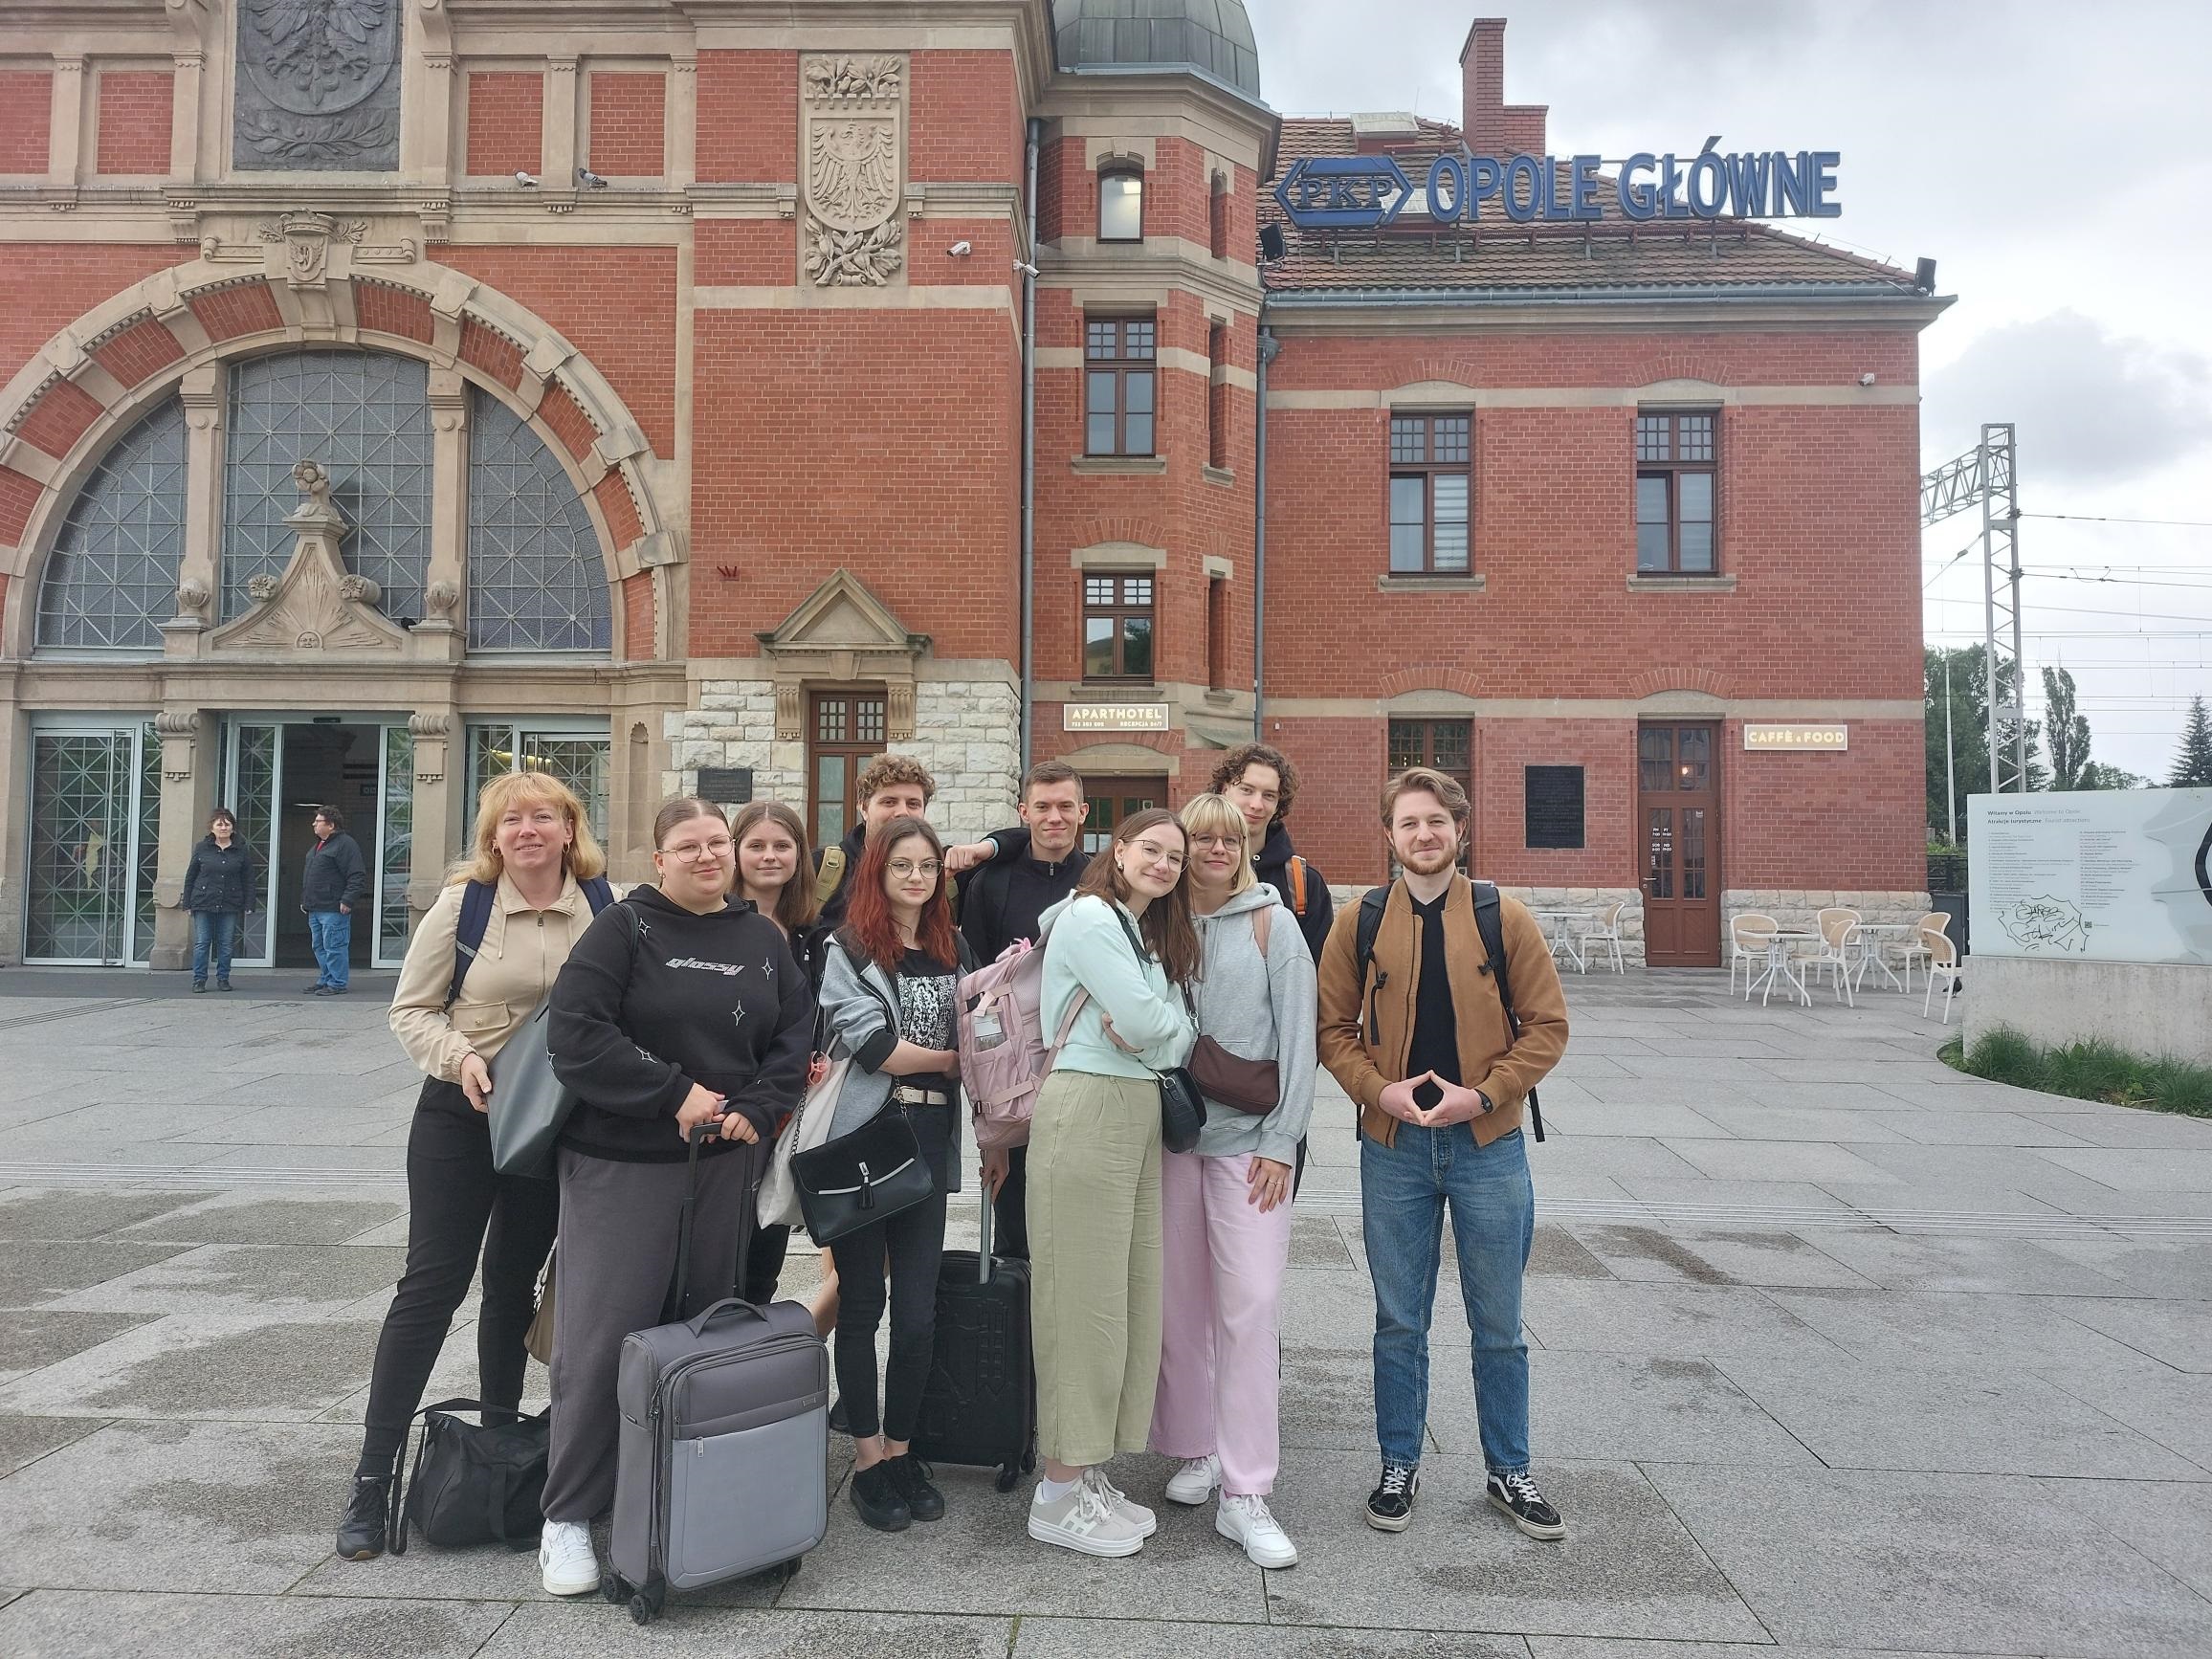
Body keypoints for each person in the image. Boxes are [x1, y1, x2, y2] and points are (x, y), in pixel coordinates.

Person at [536, 798, 813, 1598]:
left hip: (723, 1168)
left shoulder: (762, 939)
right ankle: (567, 1515)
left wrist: (759, 1106)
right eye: (687, 846)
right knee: (601, 1341)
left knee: (701, 1336)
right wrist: (673, 1093)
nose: (706, 856)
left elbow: (796, 1034)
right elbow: (576, 1034)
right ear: (658, 859)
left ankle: (683, 1500)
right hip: (622, 1166)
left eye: (716, 842)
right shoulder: (623, 929)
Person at [336, 772, 606, 1561]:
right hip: (462, 1115)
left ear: (569, 828)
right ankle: (372, 1478)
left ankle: (499, 1457)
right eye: (510, 820)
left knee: (513, 1286)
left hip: (551, 1124)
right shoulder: (465, 907)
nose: (528, 830)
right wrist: (461, 1059)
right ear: (493, 837)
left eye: (543, 817)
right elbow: (411, 1010)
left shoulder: (605, 906)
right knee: (431, 1287)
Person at [1316, 766, 1570, 1542]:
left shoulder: (1503, 917)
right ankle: (1399, 1462)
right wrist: (1377, 1092)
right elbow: (1332, 1029)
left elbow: (1547, 1027)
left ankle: (1509, 1469)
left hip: (1487, 1145)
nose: (1423, 834)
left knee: (1500, 1323)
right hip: (1394, 1147)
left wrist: (1484, 1096)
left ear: (1460, 829)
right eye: (1408, 823)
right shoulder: (1360, 921)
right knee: (1399, 1321)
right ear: (1388, 835)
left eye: (1436, 821)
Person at [1149, 791, 1316, 1569]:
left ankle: (1247, 1490)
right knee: (1180, 1306)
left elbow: (1302, 1039)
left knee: (1249, 1305)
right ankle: (1198, 1446)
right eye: (1202, 839)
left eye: (1230, 838)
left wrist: (1284, 1142)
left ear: (1246, 845)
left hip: (1251, 1145)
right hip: (1173, 1140)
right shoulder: (1157, 922)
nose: (1217, 850)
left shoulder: (1272, 924)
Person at [1025, 807, 1197, 1559]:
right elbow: (1148, 1021)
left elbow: (1175, 1028)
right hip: (1088, 1106)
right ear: (1118, 851)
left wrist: (1161, 1028)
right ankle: (1057, 1495)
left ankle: (1087, 1470)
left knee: (1125, 1296)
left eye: (1174, 858)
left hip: (1133, 1107)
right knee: (1081, 1301)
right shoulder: (1091, 916)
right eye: (1150, 849)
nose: (1163, 864)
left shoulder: (1139, 928)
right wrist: (1161, 1027)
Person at [816, 816, 969, 1532]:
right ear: (877, 871)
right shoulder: (848, 948)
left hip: (931, 1137)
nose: (916, 877)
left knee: (916, 1312)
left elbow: (985, 1025)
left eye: (928, 866)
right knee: (860, 1306)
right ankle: (868, 1459)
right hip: (867, 1139)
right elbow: (872, 1046)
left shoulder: (952, 946)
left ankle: (903, 1449)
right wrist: (953, 1060)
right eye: (902, 865)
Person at [956, 759, 1088, 1259]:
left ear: (1082, 813)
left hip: (1081, 1065)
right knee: (1015, 1229)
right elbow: (979, 997)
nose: (1054, 817)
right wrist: (993, 1136)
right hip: (1013, 1074)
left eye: (1065, 807)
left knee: (1077, 1226)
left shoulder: (1101, 881)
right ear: (1023, 812)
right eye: (1043, 807)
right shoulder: (991, 883)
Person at [729, 800, 836, 1329]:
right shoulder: (716, 923)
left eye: (782, 846)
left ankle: (751, 1360)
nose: (769, 856)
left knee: (763, 1259)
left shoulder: (812, 935)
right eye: (756, 845)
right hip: (728, 1108)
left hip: (786, 1115)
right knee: (716, 1256)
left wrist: (819, 1056)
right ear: (735, 852)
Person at [1207, 741, 1334, 964]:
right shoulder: (1193, 868)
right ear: (1224, 790)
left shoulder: (1303, 883)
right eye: (1247, 790)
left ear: (1278, 804)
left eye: (1269, 795)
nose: (1257, 804)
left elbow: (1316, 970)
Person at [813, 756, 935, 930]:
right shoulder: (818, 870)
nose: (902, 812)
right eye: (889, 802)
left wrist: (980, 849)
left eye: (913, 804)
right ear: (863, 807)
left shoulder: (942, 873)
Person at [181, 807, 255, 992]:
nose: (223, 828)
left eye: (227, 824)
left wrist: (249, 903)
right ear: (212, 828)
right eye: (219, 824)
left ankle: (223, 978)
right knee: (202, 942)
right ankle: (199, 980)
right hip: (203, 901)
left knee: (226, 943)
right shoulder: (202, 848)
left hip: (230, 902)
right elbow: (191, 876)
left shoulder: (241, 850)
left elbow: (248, 878)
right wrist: (187, 902)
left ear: (233, 828)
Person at [300, 805, 369, 996]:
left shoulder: (345, 845)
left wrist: (347, 900)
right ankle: (325, 979)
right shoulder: (319, 845)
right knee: (319, 946)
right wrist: (305, 900)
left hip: (333, 907)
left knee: (334, 947)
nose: (314, 824)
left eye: (318, 821)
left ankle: (337, 983)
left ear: (331, 825)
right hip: (315, 907)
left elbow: (356, 874)